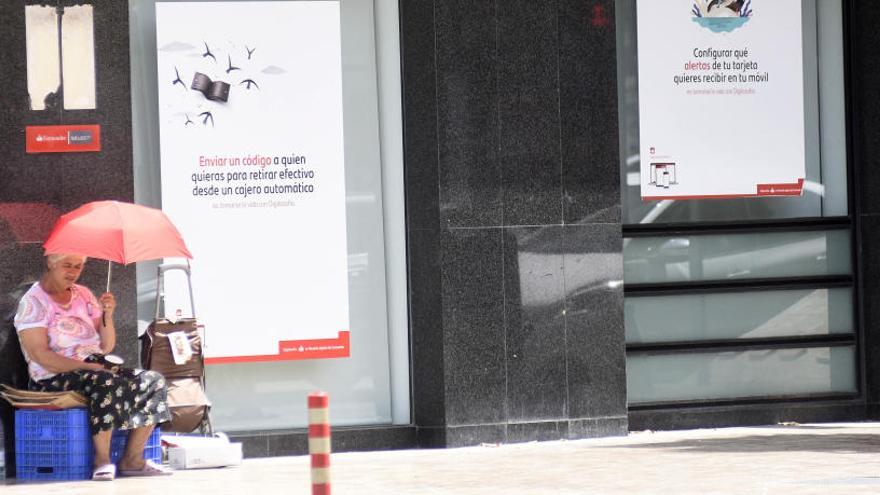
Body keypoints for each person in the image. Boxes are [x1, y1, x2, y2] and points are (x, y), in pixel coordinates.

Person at [13, 253, 172, 481]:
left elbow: (106, 345)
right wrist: (86, 367)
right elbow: (41, 356)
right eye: (67, 265)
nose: (73, 272)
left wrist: (107, 313)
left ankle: (132, 459)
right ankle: (102, 460)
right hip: (54, 375)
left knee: (152, 380)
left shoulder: (83, 294)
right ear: (50, 262)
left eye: (78, 266)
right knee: (105, 382)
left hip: (93, 367)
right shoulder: (33, 302)